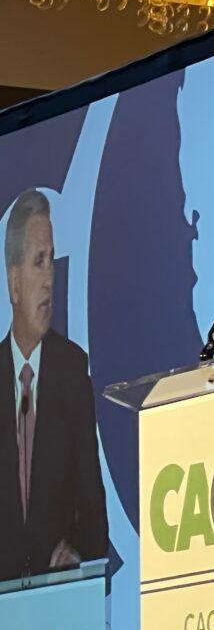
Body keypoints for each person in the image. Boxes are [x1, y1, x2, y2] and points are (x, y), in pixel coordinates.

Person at [0, 188, 108, 582]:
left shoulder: (71, 368)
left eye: (52, 263)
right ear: (14, 282)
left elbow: (93, 503)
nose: (48, 279)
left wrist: (80, 550)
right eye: (38, 262)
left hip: (59, 604)